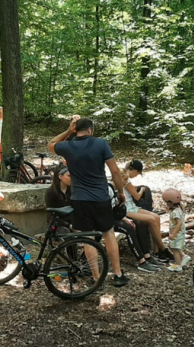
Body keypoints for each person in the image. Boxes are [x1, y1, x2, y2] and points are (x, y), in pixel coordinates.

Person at [47, 117, 130, 287]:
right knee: (108, 235)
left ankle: (96, 277)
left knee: (88, 238)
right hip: (101, 198)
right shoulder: (101, 144)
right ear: (91, 130)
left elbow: (51, 144)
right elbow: (114, 171)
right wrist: (120, 192)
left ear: (75, 129)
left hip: (79, 199)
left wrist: (68, 131)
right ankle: (118, 274)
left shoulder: (68, 146)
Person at [121, 166, 172, 263]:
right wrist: (142, 190)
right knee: (151, 219)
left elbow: (131, 188)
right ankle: (163, 249)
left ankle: (157, 252)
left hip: (133, 207)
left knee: (156, 217)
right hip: (127, 210)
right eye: (125, 179)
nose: (127, 181)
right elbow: (137, 197)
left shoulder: (126, 182)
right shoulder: (119, 184)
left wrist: (138, 187)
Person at [163, 188, 190, 272]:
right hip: (179, 233)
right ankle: (184, 256)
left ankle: (178, 265)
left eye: (167, 202)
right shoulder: (178, 209)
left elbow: (179, 224)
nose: (166, 204)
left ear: (170, 202)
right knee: (175, 247)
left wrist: (173, 234)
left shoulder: (175, 212)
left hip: (177, 233)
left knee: (174, 248)